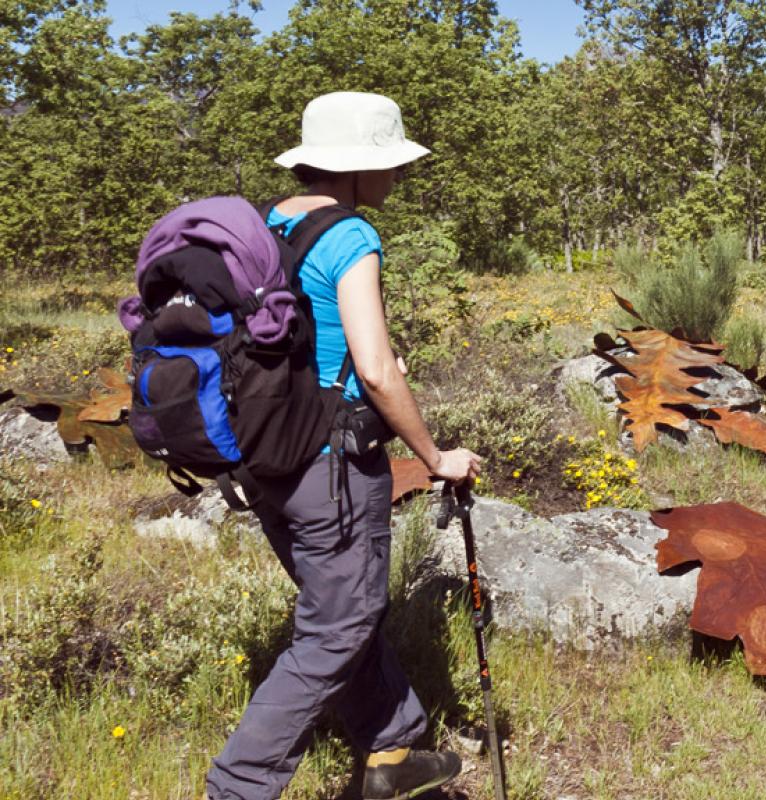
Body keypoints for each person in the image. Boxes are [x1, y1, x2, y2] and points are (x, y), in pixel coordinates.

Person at [205, 92, 483, 800]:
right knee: (338, 626)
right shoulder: (350, 237)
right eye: (388, 162)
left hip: (269, 458)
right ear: (356, 170)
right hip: (332, 469)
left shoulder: (269, 228)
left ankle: (392, 751)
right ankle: (236, 788)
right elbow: (377, 369)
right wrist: (434, 457)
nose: (398, 175)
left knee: (342, 607)